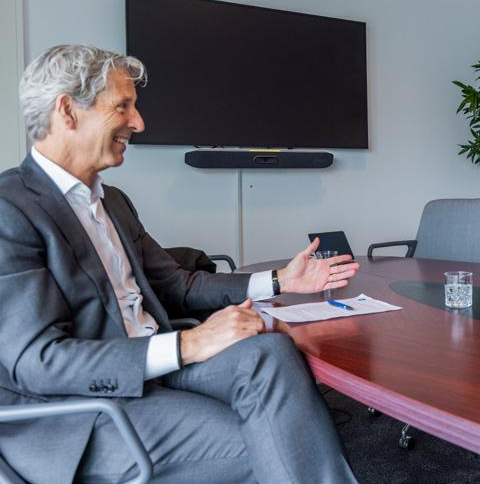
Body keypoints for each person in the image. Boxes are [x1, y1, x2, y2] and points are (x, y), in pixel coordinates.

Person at [0, 44, 360, 483]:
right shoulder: (10, 209)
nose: (138, 123)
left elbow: (178, 284)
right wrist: (190, 344)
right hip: (79, 415)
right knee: (275, 443)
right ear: (67, 111)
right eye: (123, 106)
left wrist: (280, 280)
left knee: (270, 353)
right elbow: (39, 362)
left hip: (158, 366)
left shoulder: (112, 201)